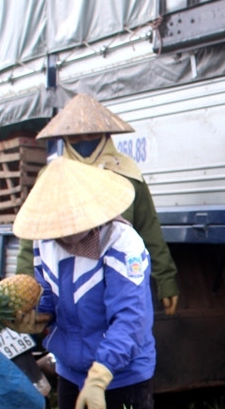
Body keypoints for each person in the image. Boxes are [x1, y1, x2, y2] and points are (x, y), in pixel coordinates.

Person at [11, 156, 156, 409]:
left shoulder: (123, 243)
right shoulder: (46, 241)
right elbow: (48, 293)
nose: (62, 234)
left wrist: (101, 375)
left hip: (124, 374)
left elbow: (130, 320)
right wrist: (37, 318)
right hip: (72, 370)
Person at [16, 93, 180, 315]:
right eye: (75, 136)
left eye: (91, 134)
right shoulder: (52, 178)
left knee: (121, 336)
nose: (84, 141)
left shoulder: (126, 174)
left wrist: (165, 279)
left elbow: (148, 230)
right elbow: (32, 240)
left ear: (106, 134)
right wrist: (26, 288)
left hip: (119, 282)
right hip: (68, 289)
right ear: (64, 138)